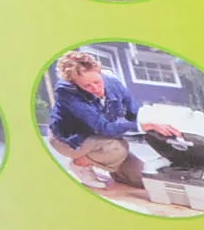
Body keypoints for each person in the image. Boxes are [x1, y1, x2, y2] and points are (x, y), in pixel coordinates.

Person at [45, 49, 148, 192]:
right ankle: (80, 164)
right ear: (75, 84)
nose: (95, 88)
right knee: (118, 148)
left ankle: (111, 167)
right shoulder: (66, 92)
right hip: (70, 139)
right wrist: (140, 126)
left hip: (99, 136)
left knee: (141, 177)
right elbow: (104, 127)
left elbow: (134, 112)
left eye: (97, 82)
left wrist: (150, 125)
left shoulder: (113, 83)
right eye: (86, 86)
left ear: (100, 73)